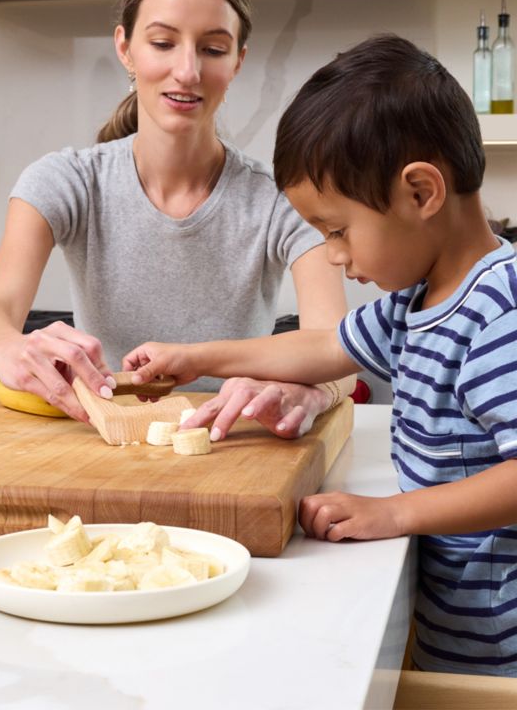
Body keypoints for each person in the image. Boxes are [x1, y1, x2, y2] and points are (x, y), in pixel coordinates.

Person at [123, 33, 517, 676]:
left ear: (421, 193)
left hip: (501, 653)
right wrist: (197, 357)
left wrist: (394, 513)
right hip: (459, 631)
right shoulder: (417, 301)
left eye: (339, 231)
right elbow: (322, 346)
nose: (334, 254)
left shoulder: (499, 313)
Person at [0, 0, 352, 432]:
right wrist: (6, 345)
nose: (187, 71)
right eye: (163, 43)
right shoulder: (66, 181)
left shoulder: (282, 200)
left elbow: (336, 345)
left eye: (212, 49)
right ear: (125, 48)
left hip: (234, 446)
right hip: (102, 446)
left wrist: (312, 391)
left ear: (237, 61)